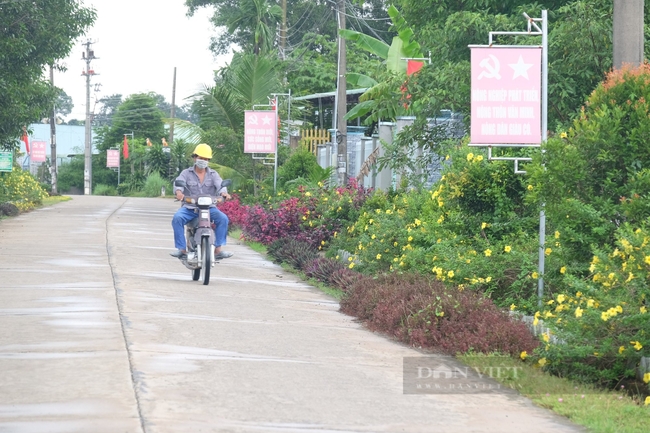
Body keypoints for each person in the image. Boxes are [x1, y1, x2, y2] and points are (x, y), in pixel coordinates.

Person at [170, 143, 233, 260]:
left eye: (205, 159)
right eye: (200, 158)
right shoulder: (186, 173)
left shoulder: (213, 174)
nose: (202, 161)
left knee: (223, 219)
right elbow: (178, 183)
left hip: (209, 208)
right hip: (190, 208)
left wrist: (224, 193)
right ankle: (182, 249)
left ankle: (218, 249)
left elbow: (220, 185)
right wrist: (179, 192)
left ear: (208, 160)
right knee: (177, 218)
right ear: (195, 157)